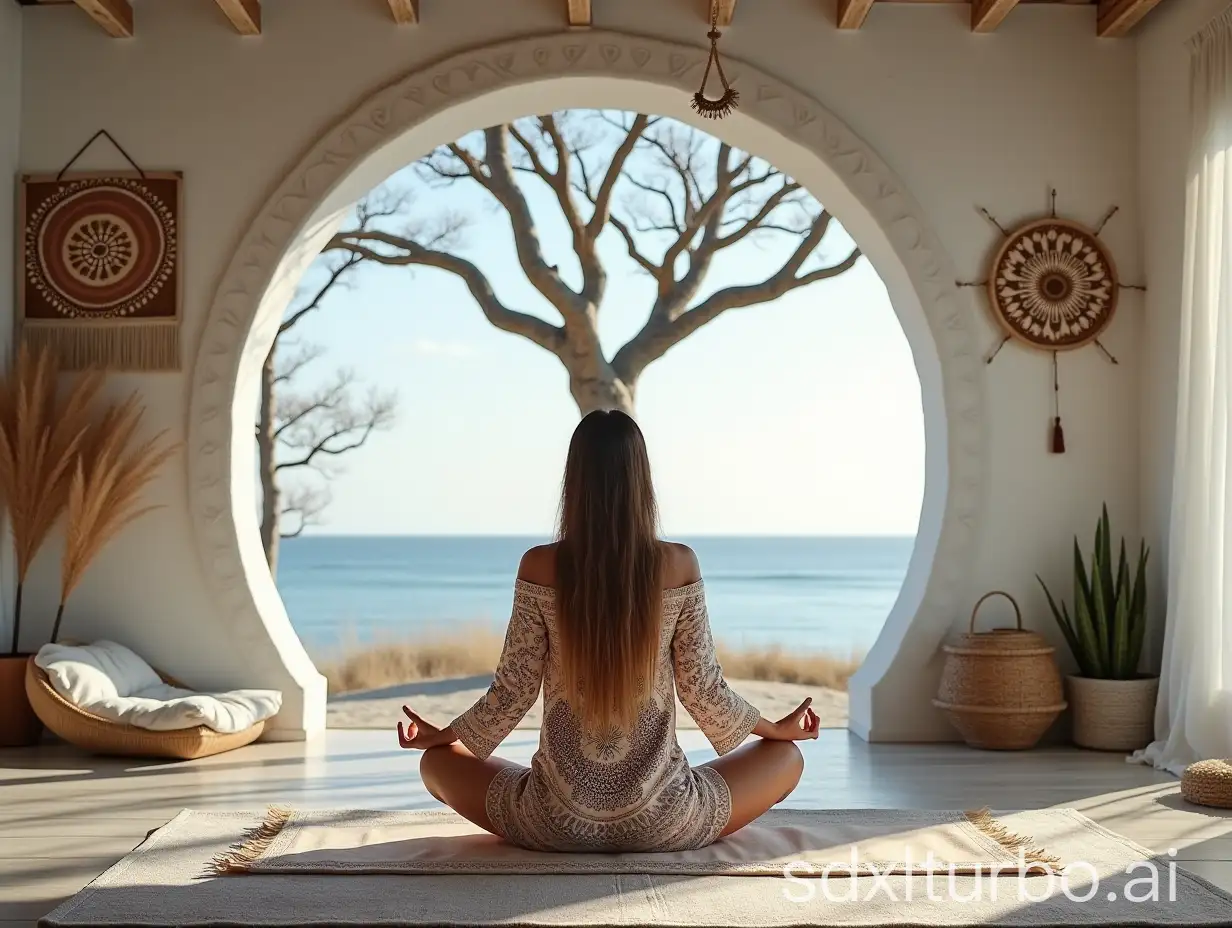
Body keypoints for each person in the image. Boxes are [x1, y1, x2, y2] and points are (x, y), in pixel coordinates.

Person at [396, 409, 819, 852]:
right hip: (666, 819)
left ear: (573, 481)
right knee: (786, 757)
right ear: (642, 480)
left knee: (437, 764)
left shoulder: (539, 565)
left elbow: (513, 691)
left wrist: (444, 736)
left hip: (552, 822)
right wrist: (775, 730)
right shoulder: (679, 564)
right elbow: (702, 690)